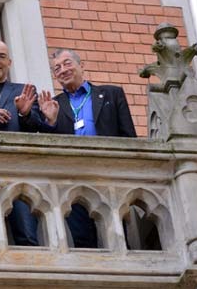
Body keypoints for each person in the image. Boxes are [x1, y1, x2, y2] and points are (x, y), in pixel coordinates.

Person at [29, 48, 136, 248]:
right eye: (57, 68)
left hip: (109, 174)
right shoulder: (53, 104)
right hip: (72, 179)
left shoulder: (111, 94)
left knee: (117, 235)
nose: (62, 70)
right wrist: (50, 122)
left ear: (81, 65)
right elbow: (48, 152)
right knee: (83, 240)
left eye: (67, 63)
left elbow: (128, 137)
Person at [0, 40, 44, 246]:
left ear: (10, 62)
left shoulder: (23, 90)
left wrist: (24, 113)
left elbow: (36, 127)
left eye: (1, 57)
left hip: (17, 172)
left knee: (26, 235)